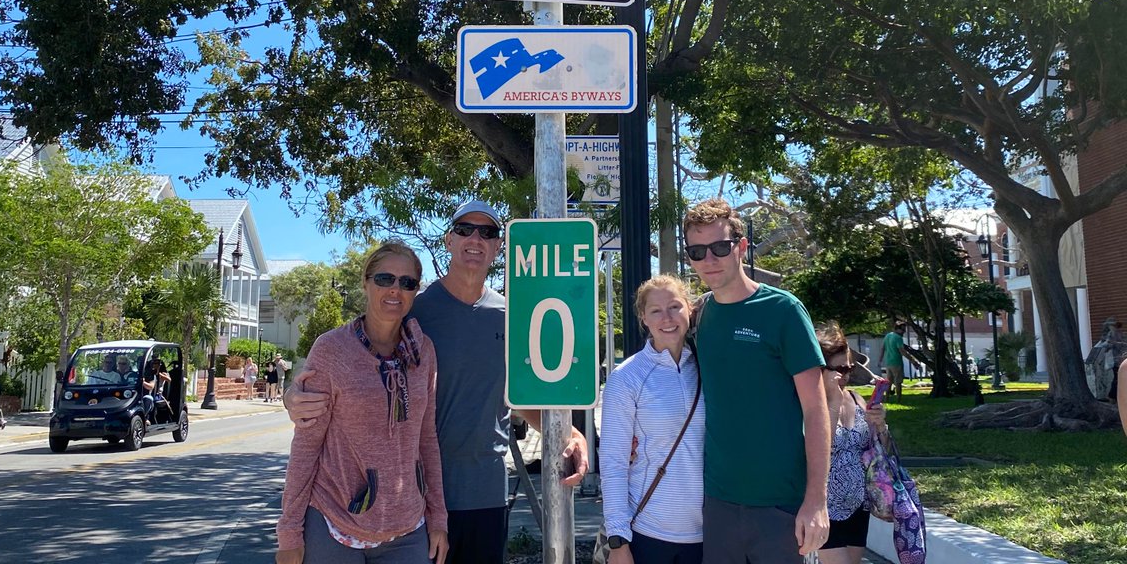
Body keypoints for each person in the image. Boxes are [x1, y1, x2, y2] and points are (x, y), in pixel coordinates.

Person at [287, 200, 588, 564]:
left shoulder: (513, 316)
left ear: (498, 246)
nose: (475, 238)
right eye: (464, 229)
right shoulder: (416, 310)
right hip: (421, 498)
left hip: (485, 491)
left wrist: (567, 433)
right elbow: (356, 357)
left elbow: (515, 393)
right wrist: (294, 395)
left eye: (488, 232)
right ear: (448, 240)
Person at [276, 239, 448, 564]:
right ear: (366, 283)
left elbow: (427, 441)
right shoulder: (331, 350)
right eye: (384, 279)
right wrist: (289, 533)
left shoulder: (423, 353)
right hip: (333, 521)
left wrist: (438, 519)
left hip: (407, 525)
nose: (395, 290)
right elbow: (306, 446)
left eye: (407, 283)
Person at [683, 197, 830, 564]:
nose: (709, 259)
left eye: (719, 247)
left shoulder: (783, 311)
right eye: (697, 251)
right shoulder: (699, 316)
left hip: (781, 506)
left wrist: (816, 501)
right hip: (718, 504)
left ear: (741, 247)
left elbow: (816, 410)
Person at [601, 275, 704, 564]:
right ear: (643, 318)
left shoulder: (708, 367)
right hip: (648, 532)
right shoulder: (627, 378)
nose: (667, 318)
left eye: (674, 307)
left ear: (689, 310)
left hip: (710, 534)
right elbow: (613, 462)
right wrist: (618, 540)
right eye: (656, 311)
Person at [816, 322, 888, 564]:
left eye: (848, 368)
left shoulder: (857, 399)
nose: (845, 375)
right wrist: (833, 401)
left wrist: (880, 426)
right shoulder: (810, 405)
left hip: (858, 506)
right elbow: (818, 448)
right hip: (825, 507)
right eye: (838, 369)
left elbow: (875, 450)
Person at [881, 323, 912, 399]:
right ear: (897, 329)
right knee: (898, 382)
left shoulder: (888, 336)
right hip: (897, 362)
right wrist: (913, 361)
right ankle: (899, 399)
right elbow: (902, 351)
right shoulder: (898, 338)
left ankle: (886, 398)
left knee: (889, 382)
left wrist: (880, 359)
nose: (904, 332)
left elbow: (883, 348)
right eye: (903, 330)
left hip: (888, 363)